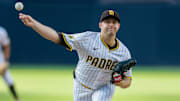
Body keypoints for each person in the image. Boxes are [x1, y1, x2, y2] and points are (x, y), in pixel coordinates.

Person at [19, 10, 133, 101]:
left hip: (105, 87)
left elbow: (127, 81)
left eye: (114, 22)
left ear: (118, 26)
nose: (111, 25)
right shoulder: (87, 39)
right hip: (81, 85)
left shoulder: (124, 52)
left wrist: (120, 83)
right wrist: (34, 24)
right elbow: (56, 37)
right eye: (108, 22)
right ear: (100, 25)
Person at [0, 26, 20, 101]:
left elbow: (7, 45)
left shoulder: (1, 31)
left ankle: (16, 98)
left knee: (8, 78)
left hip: (0, 60)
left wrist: (6, 60)